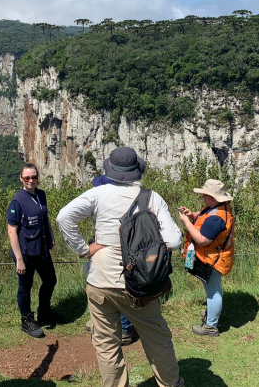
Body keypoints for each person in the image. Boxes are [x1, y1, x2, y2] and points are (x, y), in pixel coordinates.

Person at [58, 147, 185, 387]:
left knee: (106, 344)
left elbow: (64, 217)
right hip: (138, 284)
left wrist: (84, 249)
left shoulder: (97, 194)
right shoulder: (151, 197)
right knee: (157, 339)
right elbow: (175, 241)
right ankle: (170, 383)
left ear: (111, 170)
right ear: (136, 170)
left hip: (99, 281)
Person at [177, 179, 235, 337]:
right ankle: (211, 315)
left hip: (213, 260)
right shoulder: (215, 208)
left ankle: (211, 326)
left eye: (206, 195)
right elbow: (204, 217)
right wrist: (192, 215)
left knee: (213, 292)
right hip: (209, 257)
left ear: (215, 197)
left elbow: (203, 239)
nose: (203, 197)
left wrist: (186, 222)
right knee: (212, 289)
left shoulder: (217, 218)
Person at [7, 163, 57, 338]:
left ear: (38, 178)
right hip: (26, 252)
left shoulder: (41, 195)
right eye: (27, 178)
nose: (30, 181)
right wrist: (19, 258)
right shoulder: (17, 201)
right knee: (25, 287)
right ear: (21, 178)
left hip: (42, 249)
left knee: (50, 280)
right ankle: (26, 320)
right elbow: (12, 230)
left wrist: (50, 234)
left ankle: (44, 311)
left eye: (33, 177)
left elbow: (45, 216)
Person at [90, 174, 139, 346]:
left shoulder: (111, 206)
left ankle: (125, 329)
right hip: (111, 253)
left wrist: (86, 249)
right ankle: (105, 323)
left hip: (117, 255)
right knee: (106, 288)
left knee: (120, 287)